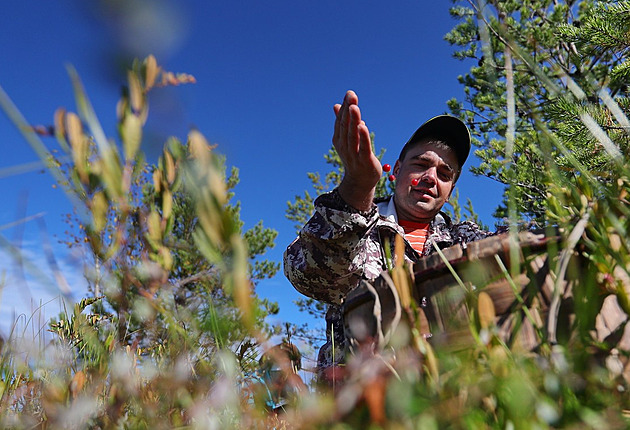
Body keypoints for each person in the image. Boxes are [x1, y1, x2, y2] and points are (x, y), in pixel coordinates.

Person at [284, 90, 498, 382]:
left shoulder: (463, 238)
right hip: (359, 401)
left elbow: (520, 249)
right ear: (397, 170)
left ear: (449, 193)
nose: (431, 177)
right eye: (421, 165)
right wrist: (357, 188)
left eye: (444, 174)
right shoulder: (357, 222)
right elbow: (305, 273)